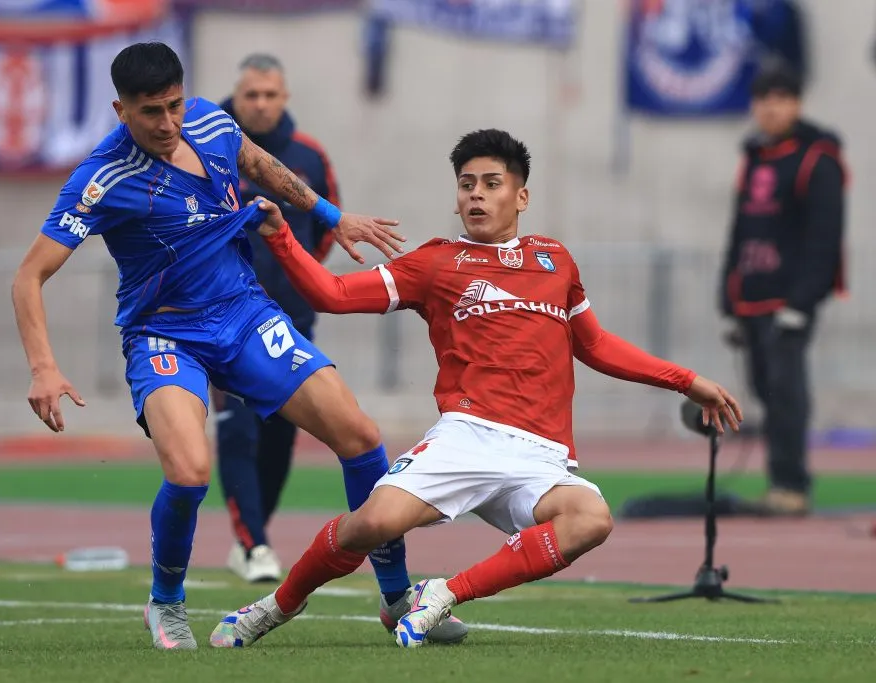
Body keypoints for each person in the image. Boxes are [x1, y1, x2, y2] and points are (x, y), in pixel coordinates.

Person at [10, 41, 467, 651]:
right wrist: (43, 367)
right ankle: (165, 602)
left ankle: (396, 596)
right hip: (165, 333)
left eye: (174, 105)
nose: (168, 123)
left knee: (360, 436)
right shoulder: (100, 179)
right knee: (190, 471)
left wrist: (332, 215)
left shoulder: (209, 120)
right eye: (151, 112)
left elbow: (259, 163)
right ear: (121, 110)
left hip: (245, 313)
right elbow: (29, 276)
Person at [209, 129, 743, 649]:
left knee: (591, 519)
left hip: (541, 455)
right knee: (371, 523)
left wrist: (686, 381)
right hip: (467, 437)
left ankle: (443, 594)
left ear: (522, 197)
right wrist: (281, 236)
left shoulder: (555, 260)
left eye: (491, 184)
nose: (477, 196)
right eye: (467, 185)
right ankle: (276, 606)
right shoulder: (436, 262)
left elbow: (596, 344)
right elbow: (333, 294)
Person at [213, 53, 341, 584]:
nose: (261, 104)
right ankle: (256, 545)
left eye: (270, 95)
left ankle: (252, 536)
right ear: (237, 98)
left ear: (284, 98)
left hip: (291, 322)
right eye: (252, 95)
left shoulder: (309, 156)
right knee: (239, 428)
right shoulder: (208, 147)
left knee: (281, 437)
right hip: (224, 320)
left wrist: (299, 283)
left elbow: (326, 231)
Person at [719, 64, 847, 517]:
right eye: (763, 99)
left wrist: (803, 301)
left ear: (796, 104)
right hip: (753, 297)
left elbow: (825, 236)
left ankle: (792, 484)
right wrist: (729, 298)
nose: (771, 108)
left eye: (780, 99)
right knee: (764, 390)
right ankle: (779, 481)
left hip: (788, 300)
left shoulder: (818, 159)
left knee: (786, 391)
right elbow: (740, 231)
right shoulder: (755, 156)